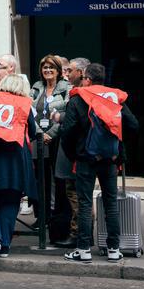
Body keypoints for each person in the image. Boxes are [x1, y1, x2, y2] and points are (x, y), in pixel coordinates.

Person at [60, 63, 139, 263]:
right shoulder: (115, 97)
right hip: (110, 160)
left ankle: (83, 249)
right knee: (111, 204)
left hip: (86, 159)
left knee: (85, 204)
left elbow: (67, 132)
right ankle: (113, 249)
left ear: (87, 79)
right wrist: (118, 148)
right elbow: (133, 125)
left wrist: (74, 155)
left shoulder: (78, 98)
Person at [0, 74, 38, 257]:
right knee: (10, 199)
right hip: (14, 156)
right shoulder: (24, 103)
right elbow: (32, 131)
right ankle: (6, 245)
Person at [28, 54, 71, 226]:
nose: (47, 70)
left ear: (58, 71)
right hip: (38, 139)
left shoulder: (66, 87)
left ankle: (58, 217)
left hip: (58, 139)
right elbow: (28, 110)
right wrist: (39, 133)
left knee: (58, 178)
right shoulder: (37, 87)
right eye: (45, 67)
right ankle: (42, 216)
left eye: (51, 67)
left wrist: (51, 134)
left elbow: (69, 113)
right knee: (40, 177)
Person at [50, 57, 88, 246]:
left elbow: (75, 120)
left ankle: (79, 237)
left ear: (81, 73)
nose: (66, 74)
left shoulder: (80, 93)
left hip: (76, 153)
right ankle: (83, 236)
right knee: (80, 195)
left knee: (76, 194)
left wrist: (59, 117)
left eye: (70, 70)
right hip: (83, 152)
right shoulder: (83, 92)